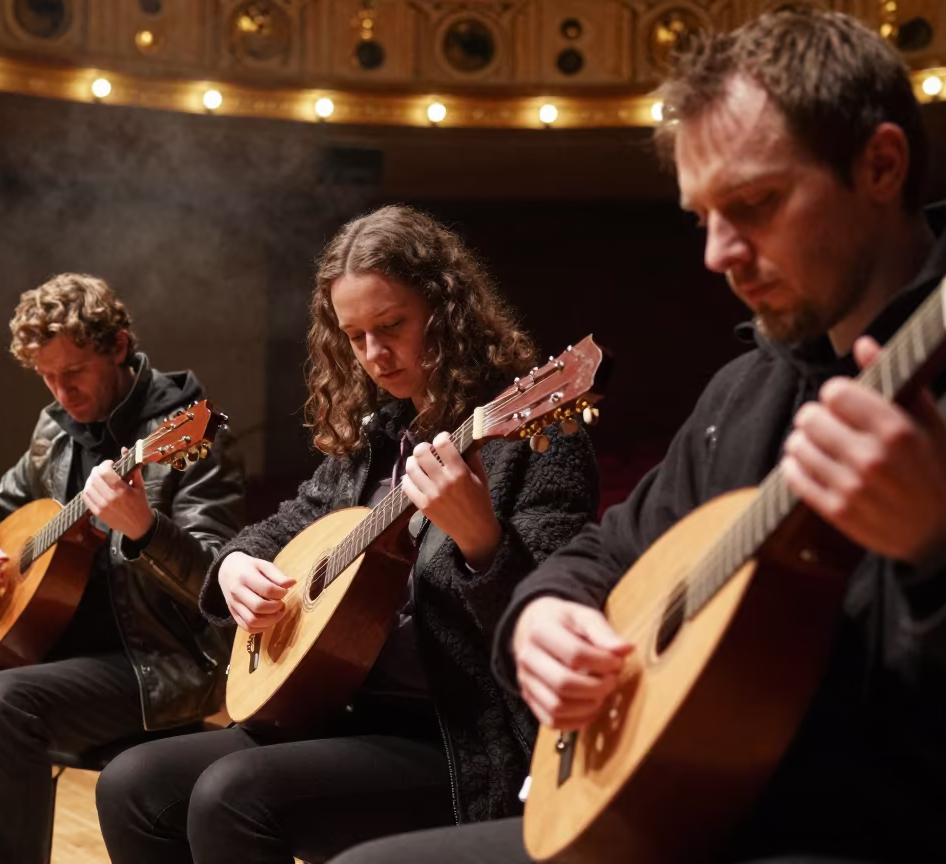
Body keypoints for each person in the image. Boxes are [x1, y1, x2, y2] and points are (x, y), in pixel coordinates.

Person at [325, 8, 946, 864]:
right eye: (702, 215)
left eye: (753, 203)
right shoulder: (745, 391)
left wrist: (945, 550)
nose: (716, 253)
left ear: (880, 165)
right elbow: (601, 555)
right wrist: (542, 617)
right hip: (693, 807)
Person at [94, 204, 599, 864]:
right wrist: (232, 568)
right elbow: (287, 525)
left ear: (447, 311)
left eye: (391, 327)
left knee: (233, 796)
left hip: (456, 738)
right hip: (338, 708)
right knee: (132, 784)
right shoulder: (375, 436)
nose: (373, 355)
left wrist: (484, 545)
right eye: (354, 336)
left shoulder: (533, 436)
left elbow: (554, 615)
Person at [0, 273, 245, 864]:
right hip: (54, 656)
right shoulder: (55, 430)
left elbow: (211, 585)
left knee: (2, 700)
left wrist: (143, 528)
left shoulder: (185, 431)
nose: (60, 393)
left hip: (154, 666)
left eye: (73, 374)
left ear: (118, 347)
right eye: (46, 377)